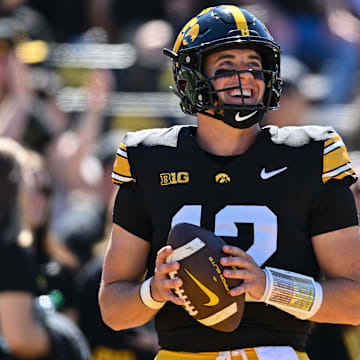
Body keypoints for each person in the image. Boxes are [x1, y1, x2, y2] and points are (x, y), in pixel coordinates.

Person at [99, 5, 360, 360]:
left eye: (254, 65)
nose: (246, 77)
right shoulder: (148, 159)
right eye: (226, 67)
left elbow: (354, 302)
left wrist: (269, 286)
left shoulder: (311, 156)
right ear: (190, 76)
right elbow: (113, 309)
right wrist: (154, 291)